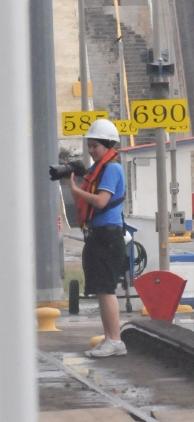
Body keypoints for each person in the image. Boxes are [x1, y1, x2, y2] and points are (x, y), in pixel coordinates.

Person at [67, 119, 128, 358]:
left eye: (95, 146)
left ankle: (116, 340)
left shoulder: (112, 168)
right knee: (101, 289)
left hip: (108, 235)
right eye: (89, 146)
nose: (91, 151)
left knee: (107, 289)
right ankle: (109, 337)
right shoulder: (100, 169)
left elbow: (101, 201)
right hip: (98, 234)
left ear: (107, 145)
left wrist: (74, 189)